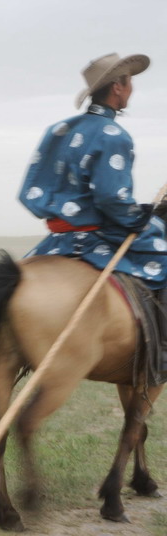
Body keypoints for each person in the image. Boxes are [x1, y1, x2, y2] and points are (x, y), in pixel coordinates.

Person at [19, 52, 167, 371]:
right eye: (130, 83)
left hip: (57, 239)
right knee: (163, 253)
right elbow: (112, 199)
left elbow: (31, 186)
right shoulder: (114, 135)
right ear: (118, 86)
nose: (132, 90)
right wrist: (140, 216)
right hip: (95, 235)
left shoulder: (58, 128)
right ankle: (163, 349)